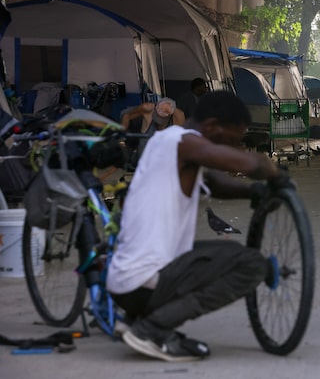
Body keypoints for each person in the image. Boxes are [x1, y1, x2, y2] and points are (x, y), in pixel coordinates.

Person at [107, 91, 288, 362]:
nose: (234, 148)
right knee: (251, 265)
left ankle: (136, 319)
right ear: (212, 126)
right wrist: (277, 176)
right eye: (232, 140)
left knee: (214, 253)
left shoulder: (166, 143)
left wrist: (256, 193)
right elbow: (253, 163)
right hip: (144, 282)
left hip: (126, 285)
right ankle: (152, 329)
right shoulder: (184, 143)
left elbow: (216, 184)